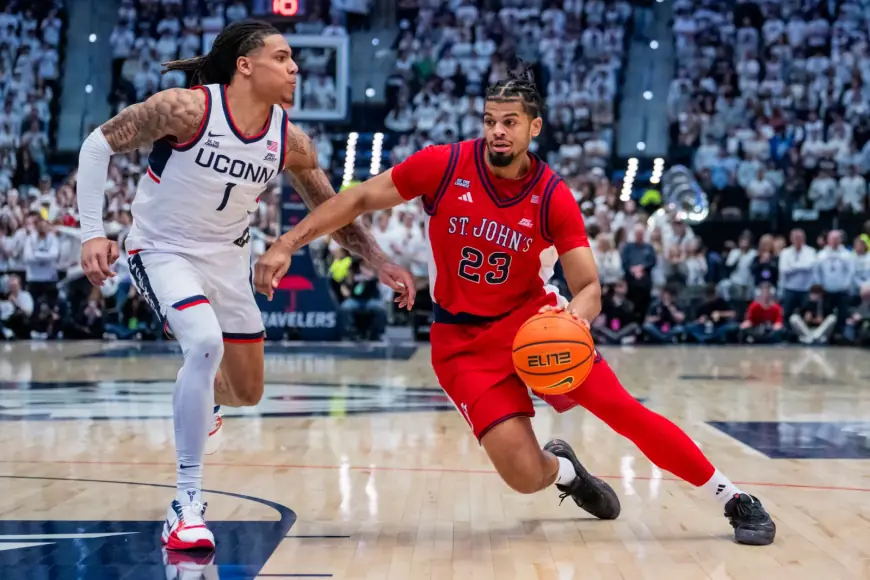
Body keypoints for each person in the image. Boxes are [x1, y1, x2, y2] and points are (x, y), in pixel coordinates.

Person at [254, 67, 776, 546]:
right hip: (460, 344)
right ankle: (567, 473)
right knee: (524, 476)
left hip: (534, 325)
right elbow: (357, 198)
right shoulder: (443, 165)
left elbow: (588, 284)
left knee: (623, 411)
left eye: (509, 122)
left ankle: (732, 498)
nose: (497, 131)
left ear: (534, 128)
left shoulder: (552, 196)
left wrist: (576, 317)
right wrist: (286, 243)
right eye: (489, 120)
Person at [76, 20, 414, 551]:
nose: (295, 67)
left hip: (230, 261)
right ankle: (186, 504)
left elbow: (333, 212)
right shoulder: (186, 109)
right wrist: (92, 234)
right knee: (204, 343)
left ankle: (206, 399)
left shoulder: (289, 140)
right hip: (162, 249)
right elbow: (99, 144)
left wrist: (379, 259)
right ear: (245, 65)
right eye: (282, 57)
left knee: (248, 392)